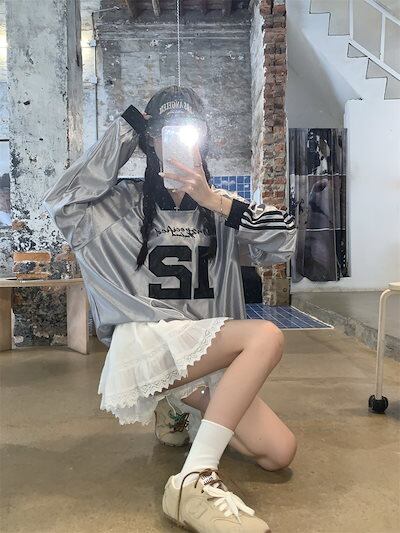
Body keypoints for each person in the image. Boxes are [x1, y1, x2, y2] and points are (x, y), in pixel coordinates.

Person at [42, 85, 298, 532]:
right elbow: (62, 202)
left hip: (206, 351)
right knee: (265, 336)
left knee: (279, 453)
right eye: (164, 132)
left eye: (187, 131)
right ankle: (194, 480)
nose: (176, 141)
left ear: (203, 139)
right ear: (150, 141)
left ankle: (181, 405)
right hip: (149, 345)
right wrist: (125, 129)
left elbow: (285, 238)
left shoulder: (221, 207)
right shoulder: (119, 205)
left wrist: (214, 201)